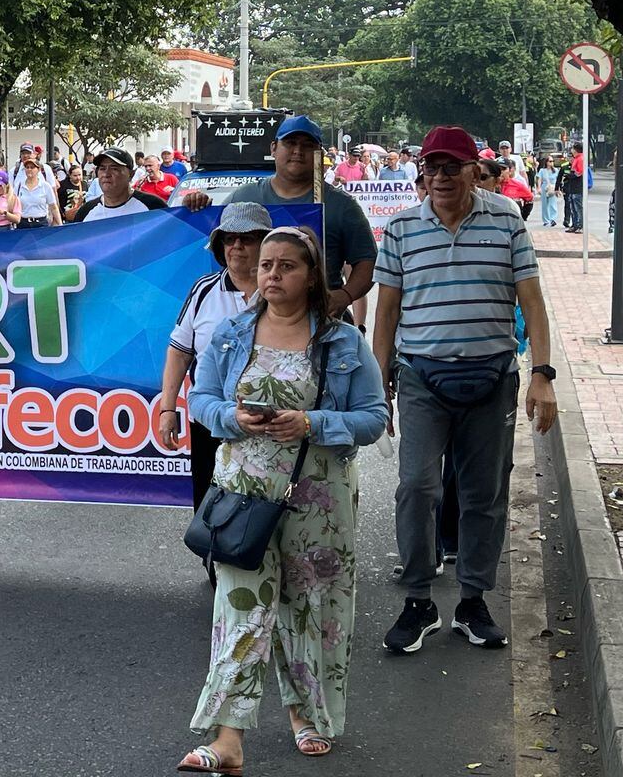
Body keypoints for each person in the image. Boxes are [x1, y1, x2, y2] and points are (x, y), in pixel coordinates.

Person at [179, 226, 386, 773]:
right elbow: (201, 400)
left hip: (318, 502)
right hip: (242, 497)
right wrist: (231, 416)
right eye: (266, 265)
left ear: (312, 275)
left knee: (312, 609)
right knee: (240, 610)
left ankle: (307, 715)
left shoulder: (342, 342)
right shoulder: (230, 334)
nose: (271, 274)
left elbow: (373, 418)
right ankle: (228, 739)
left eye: (286, 265)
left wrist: (312, 423)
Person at [374, 125, 556, 655]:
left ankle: (473, 601)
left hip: (491, 379)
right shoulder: (402, 229)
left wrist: (542, 374)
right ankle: (418, 600)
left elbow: (532, 301)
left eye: (451, 166)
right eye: (431, 167)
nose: (440, 177)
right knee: (417, 488)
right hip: (421, 379)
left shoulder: (507, 220)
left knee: (484, 495)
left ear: (474, 170)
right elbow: (386, 313)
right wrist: (379, 383)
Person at [158, 201, 271, 510]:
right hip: (210, 422)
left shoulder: (282, 292)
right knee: (211, 516)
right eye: (229, 238)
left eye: (247, 238)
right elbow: (179, 352)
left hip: (270, 425)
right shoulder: (203, 291)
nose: (237, 246)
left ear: (266, 243)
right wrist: (167, 410)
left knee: (267, 517)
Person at [225, 116, 377, 325]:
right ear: (273, 148)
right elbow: (210, 245)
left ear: (319, 154)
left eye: (307, 145)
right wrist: (196, 207)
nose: (298, 151)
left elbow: (368, 261)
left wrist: (345, 295)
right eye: (290, 143)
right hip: (251, 324)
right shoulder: (243, 198)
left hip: (321, 326)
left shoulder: (341, 205)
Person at [70, 148, 170, 221]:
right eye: (102, 168)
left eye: (114, 168)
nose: (106, 174)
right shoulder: (85, 212)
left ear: (131, 174)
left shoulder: (153, 206)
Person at [12, 152, 61, 227]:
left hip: (41, 223)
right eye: (27, 167)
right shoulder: (19, 186)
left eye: (32, 167)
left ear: (38, 169)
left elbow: (53, 207)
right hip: (23, 223)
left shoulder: (45, 186)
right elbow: (13, 205)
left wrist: (60, 224)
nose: (29, 169)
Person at [562, 144, 586, 233]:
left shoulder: (580, 159)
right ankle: (574, 225)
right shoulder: (576, 158)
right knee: (573, 207)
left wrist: (569, 175)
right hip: (572, 187)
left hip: (577, 187)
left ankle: (580, 225)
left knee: (578, 208)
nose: (571, 150)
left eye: (572, 148)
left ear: (575, 150)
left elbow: (579, 173)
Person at [535, 156, 559, 227]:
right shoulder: (542, 170)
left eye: (553, 161)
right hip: (545, 188)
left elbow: (558, 179)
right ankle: (546, 220)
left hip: (553, 188)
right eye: (550, 161)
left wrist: (558, 189)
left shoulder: (556, 170)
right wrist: (538, 188)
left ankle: (552, 219)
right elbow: (539, 179)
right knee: (545, 205)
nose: (552, 163)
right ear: (546, 162)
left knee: (553, 204)